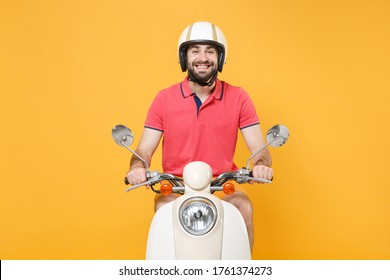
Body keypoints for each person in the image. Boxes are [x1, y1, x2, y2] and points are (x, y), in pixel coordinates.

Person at [126, 21, 272, 250]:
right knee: (164, 209)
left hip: (223, 185)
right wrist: (137, 167)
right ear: (184, 57)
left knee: (242, 207)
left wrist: (262, 164)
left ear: (220, 58)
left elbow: (259, 148)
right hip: (176, 186)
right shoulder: (164, 99)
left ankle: (244, 271)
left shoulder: (239, 97)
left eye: (210, 51)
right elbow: (144, 149)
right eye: (195, 51)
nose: (202, 57)